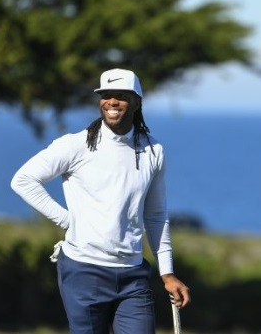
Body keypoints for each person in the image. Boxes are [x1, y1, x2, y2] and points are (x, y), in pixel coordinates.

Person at [11, 68, 190, 334]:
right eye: (106, 95)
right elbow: (23, 180)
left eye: (121, 95)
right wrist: (67, 220)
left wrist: (167, 273)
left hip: (133, 275)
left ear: (137, 102)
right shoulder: (75, 145)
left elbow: (155, 215)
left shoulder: (153, 151)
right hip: (83, 271)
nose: (112, 102)